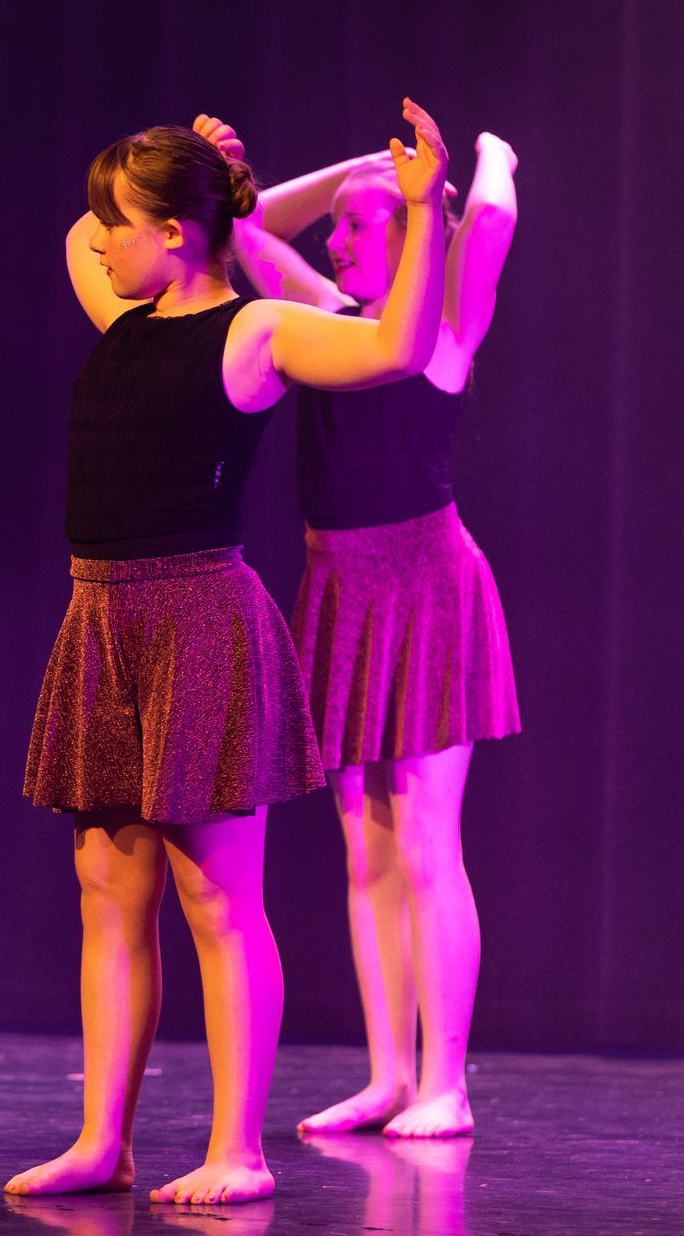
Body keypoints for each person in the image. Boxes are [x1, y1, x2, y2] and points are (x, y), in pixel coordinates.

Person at [7, 100, 452, 1205]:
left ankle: (236, 1150)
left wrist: (413, 203)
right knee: (107, 890)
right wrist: (215, 175)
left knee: (217, 900)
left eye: (125, 221)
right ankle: (102, 1141)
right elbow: (83, 231)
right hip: (101, 614)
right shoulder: (121, 309)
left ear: (173, 234)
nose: (101, 237)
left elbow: (399, 346)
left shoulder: (255, 333)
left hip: (198, 619)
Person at [229, 130, 521, 1138]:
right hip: (341, 590)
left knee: (429, 845)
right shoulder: (326, 321)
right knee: (366, 854)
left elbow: (493, 213)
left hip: (427, 586)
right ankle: (390, 1074)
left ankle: (447, 1082)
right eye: (341, 226)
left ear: (412, 235)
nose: (339, 239)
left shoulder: (442, 330)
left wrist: (474, 162)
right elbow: (248, 227)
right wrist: (353, 169)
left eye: (360, 226)